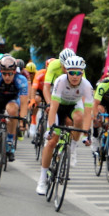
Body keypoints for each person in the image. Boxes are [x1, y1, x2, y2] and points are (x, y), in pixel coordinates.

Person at [36, 55, 94, 195]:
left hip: (74, 106)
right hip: (59, 106)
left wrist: (86, 133)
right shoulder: (60, 81)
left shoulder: (87, 85)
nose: (75, 76)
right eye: (71, 72)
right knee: (51, 142)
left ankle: (72, 149)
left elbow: (87, 113)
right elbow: (54, 108)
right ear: (66, 71)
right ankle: (42, 179)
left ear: (82, 73)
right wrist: (50, 129)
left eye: (78, 73)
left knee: (78, 118)